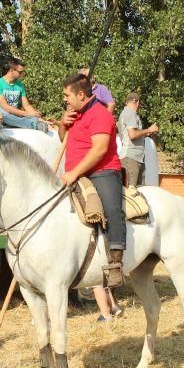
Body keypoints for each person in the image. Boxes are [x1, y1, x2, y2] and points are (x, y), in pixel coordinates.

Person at [59, 72, 125, 311]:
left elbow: (99, 151)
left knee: (111, 209)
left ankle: (115, 263)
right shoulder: (76, 114)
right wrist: (63, 124)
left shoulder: (100, 114)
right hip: (74, 173)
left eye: (67, 95)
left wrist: (74, 173)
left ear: (80, 94)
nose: (65, 99)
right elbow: (62, 139)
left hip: (103, 172)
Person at [0, 58, 46, 131]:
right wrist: (27, 114)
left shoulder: (20, 85)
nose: (22, 74)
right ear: (12, 70)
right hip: (2, 116)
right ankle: (33, 125)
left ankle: (34, 123)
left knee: (34, 117)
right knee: (2, 113)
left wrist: (35, 115)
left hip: (14, 117)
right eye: (20, 72)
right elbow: (5, 107)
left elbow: (26, 105)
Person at [117, 92, 158, 187]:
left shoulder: (127, 113)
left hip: (135, 157)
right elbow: (132, 134)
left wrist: (148, 133)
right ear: (138, 102)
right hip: (131, 158)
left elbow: (133, 135)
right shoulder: (130, 113)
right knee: (131, 191)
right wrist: (149, 129)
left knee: (138, 191)